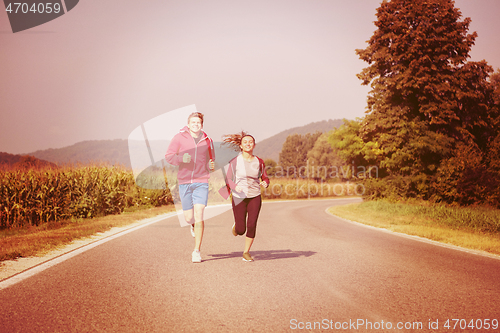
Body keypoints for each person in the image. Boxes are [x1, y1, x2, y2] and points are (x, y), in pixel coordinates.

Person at [165, 112, 215, 263]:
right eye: (193, 122)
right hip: (185, 181)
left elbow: (210, 160)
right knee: (188, 218)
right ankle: (192, 225)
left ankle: (196, 251)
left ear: (202, 124)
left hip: (202, 181)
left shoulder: (208, 140)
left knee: (199, 212)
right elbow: (169, 156)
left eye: (198, 122)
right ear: (188, 124)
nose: (195, 124)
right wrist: (181, 159)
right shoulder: (179, 137)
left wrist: (210, 166)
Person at [222, 131, 270, 262]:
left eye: (250, 142)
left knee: (252, 224)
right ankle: (237, 226)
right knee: (241, 229)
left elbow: (264, 176)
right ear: (241, 146)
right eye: (245, 142)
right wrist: (234, 186)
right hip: (239, 197)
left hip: (255, 196)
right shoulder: (235, 161)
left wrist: (265, 182)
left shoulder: (259, 162)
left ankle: (246, 252)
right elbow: (228, 179)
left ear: (254, 145)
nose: (248, 144)